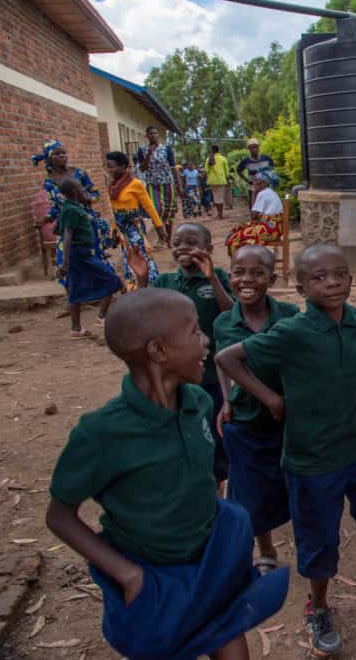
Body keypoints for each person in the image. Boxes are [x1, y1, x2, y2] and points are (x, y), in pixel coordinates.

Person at [45, 288, 289, 660]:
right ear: (158, 351)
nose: (206, 341)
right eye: (195, 332)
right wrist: (127, 574)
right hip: (154, 575)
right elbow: (59, 516)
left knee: (226, 634)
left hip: (210, 563)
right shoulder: (102, 433)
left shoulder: (198, 403)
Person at [215, 244, 356, 657]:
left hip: (353, 443)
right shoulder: (292, 331)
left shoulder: (353, 320)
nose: (332, 283)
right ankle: (319, 606)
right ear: (300, 286)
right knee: (319, 538)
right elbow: (227, 358)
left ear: (350, 279)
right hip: (310, 457)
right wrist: (270, 399)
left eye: (339, 275)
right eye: (319, 277)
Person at [214, 246, 298, 576]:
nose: (247, 280)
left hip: (286, 422)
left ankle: (305, 538)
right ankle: (265, 548)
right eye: (238, 272)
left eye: (257, 273)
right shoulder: (224, 322)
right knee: (249, 494)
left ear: (272, 279)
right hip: (245, 422)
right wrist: (226, 399)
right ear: (229, 276)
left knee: (290, 483)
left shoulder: (290, 315)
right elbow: (223, 364)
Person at [132, 222, 234, 485]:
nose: (183, 248)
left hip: (211, 373)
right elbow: (144, 314)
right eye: (177, 243)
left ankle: (218, 479)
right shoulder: (165, 282)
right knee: (181, 426)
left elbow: (232, 315)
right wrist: (142, 281)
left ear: (209, 248)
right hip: (176, 374)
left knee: (213, 428)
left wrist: (211, 278)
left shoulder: (220, 277)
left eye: (191, 242)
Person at [32, 139, 114, 279]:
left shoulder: (79, 173)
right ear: (49, 159)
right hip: (67, 223)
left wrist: (87, 199)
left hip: (86, 222)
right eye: (57, 154)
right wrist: (46, 219)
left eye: (64, 153)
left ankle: (100, 289)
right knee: (67, 257)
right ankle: (78, 292)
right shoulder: (49, 182)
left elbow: (95, 193)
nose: (63, 156)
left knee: (93, 256)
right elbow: (55, 207)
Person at [54, 179, 123, 337]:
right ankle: (102, 317)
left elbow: (57, 229)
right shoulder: (71, 209)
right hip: (80, 254)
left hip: (81, 253)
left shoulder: (74, 207)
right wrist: (64, 263)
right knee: (112, 280)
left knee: (75, 288)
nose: (84, 190)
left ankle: (76, 328)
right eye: (80, 187)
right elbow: (67, 235)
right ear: (73, 191)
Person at [104, 151, 166, 286]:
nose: (109, 170)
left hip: (135, 228)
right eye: (107, 167)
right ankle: (133, 286)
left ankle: (151, 284)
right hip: (122, 230)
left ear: (123, 166)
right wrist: (114, 231)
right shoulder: (112, 187)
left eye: (112, 166)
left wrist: (159, 227)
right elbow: (115, 212)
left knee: (141, 255)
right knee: (128, 257)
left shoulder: (135, 184)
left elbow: (149, 207)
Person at [135, 126, 180, 244]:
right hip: (152, 185)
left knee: (168, 212)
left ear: (157, 135)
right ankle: (161, 237)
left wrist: (179, 185)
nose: (153, 135)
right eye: (150, 133)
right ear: (147, 136)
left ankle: (169, 239)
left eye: (155, 133)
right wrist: (149, 155)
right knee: (155, 210)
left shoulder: (166, 149)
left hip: (167, 184)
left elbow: (173, 168)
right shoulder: (142, 150)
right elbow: (142, 169)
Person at [225, 170, 284, 257]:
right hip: (275, 228)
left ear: (264, 183)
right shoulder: (270, 192)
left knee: (236, 237)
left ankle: (242, 263)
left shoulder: (263, 193)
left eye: (256, 181)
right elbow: (256, 217)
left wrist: (253, 193)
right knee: (238, 228)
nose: (254, 184)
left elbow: (253, 216)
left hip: (270, 230)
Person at [236, 139, 275, 206]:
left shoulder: (267, 159)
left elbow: (272, 171)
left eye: (255, 147)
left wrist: (269, 181)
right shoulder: (246, 161)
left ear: (258, 147)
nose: (254, 149)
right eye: (251, 147)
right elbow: (238, 170)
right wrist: (247, 180)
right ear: (249, 149)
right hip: (253, 187)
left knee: (266, 206)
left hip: (266, 187)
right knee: (254, 206)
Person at [206, 145, 233, 219]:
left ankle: (219, 214)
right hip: (221, 180)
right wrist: (228, 180)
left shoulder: (209, 159)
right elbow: (226, 171)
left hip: (212, 181)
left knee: (216, 198)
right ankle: (220, 214)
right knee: (220, 198)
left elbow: (206, 170)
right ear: (218, 150)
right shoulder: (223, 159)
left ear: (212, 150)